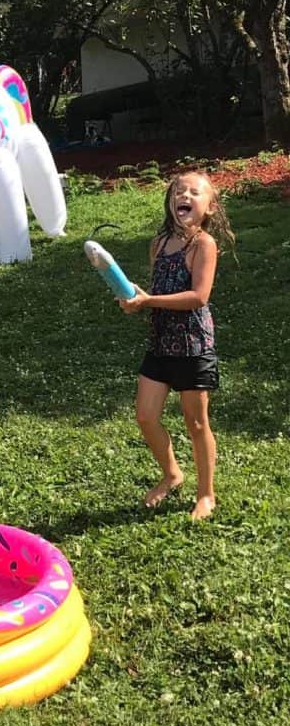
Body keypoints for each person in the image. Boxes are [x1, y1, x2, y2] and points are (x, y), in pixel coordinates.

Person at [118, 170, 235, 520]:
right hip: (160, 344)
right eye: (178, 191)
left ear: (210, 207)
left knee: (196, 423)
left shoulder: (203, 244)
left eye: (194, 192)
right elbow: (156, 292)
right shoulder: (159, 243)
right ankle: (172, 474)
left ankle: (206, 494)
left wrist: (150, 301)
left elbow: (199, 297)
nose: (184, 195)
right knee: (145, 416)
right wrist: (134, 300)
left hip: (193, 346)